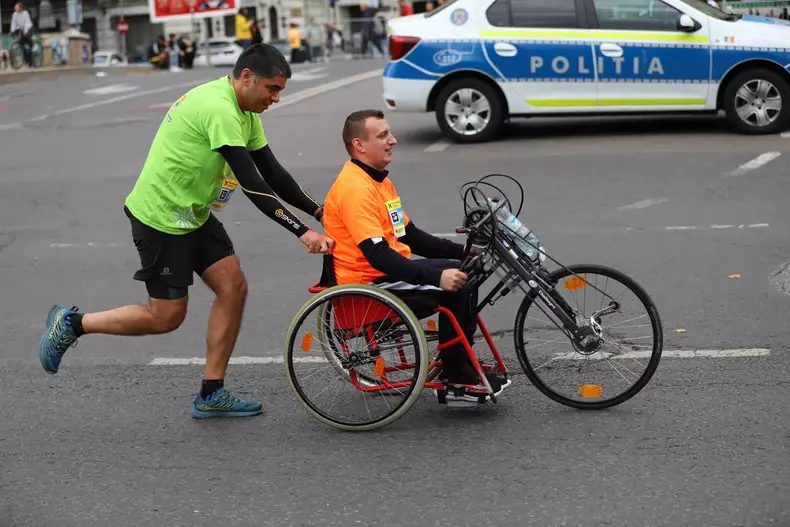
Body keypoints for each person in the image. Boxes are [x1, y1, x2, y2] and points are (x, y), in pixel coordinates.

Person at [38, 44, 333, 419]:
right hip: (160, 217)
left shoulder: (245, 112)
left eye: (280, 91)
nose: (275, 98)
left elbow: (275, 175)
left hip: (191, 213)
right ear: (246, 78)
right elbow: (254, 185)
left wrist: (320, 211)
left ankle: (211, 393)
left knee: (233, 286)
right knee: (166, 317)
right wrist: (302, 231)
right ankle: (72, 323)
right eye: (272, 89)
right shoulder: (219, 109)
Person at [322, 110, 509, 402]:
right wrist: (437, 277)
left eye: (390, 133)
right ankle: (457, 375)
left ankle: (458, 361)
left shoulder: (378, 181)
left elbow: (409, 234)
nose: (393, 140)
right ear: (359, 145)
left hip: (385, 272)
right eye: (383, 135)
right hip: (369, 284)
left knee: (465, 271)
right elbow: (378, 256)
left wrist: (464, 251)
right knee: (457, 283)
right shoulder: (355, 189)